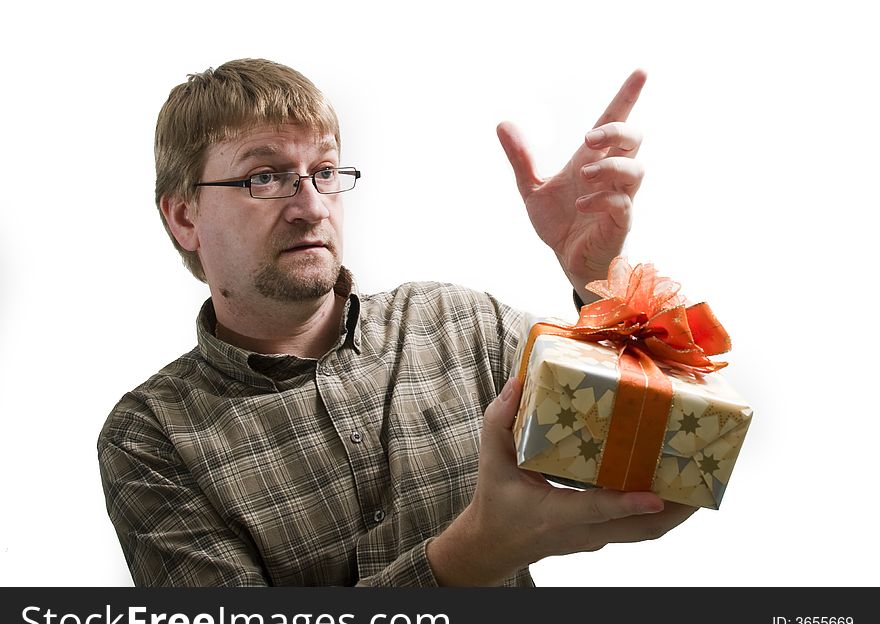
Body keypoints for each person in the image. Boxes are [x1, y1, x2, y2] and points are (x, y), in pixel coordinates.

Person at [97, 58, 696, 587]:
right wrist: (469, 561)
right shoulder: (151, 438)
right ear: (184, 217)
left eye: (325, 172)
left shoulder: (458, 326)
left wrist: (598, 281)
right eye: (265, 177)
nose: (310, 207)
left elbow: (679, 446)